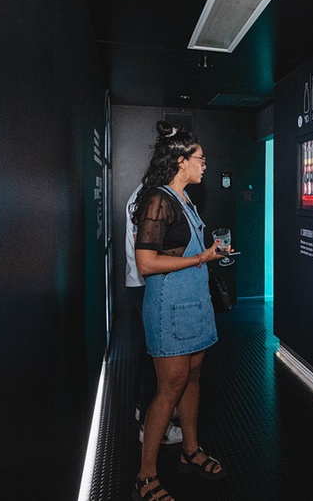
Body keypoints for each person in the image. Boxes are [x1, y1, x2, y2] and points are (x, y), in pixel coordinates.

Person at [131, 121, 229, 501]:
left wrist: (209, 255)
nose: (205, 165)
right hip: (169, 308)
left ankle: (190, 450)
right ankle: (145, 475)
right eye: (201, 159)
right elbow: (146, 263)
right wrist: (201, 258)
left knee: (192, 378)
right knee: (168, 389)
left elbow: (180, 252)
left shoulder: (185, 198)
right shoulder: (157, 200)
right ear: (181, 160)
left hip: (195, 306)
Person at [126, 183, 183, 446]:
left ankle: (142, 409)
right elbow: (149, 257)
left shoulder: (146, 195)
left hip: (140, 284)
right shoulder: (153, 199)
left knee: (147, 351)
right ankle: (150, 427)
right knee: (155, 356)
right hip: (147, 285)